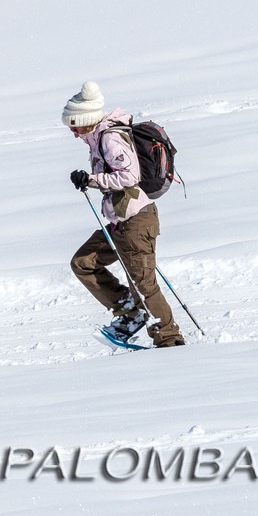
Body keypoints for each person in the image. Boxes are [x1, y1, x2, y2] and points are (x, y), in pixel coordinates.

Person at [63, 81, 185, 347]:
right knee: (84, 262)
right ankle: (130, 312)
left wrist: (93, 179)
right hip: (121, 221)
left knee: (143, 284)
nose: (72, 132)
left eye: (74, 125)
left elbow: (129, 176)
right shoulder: (98, 138)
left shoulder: (110, 138)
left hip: (136, 222)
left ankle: (170, 340)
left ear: (86, 119)